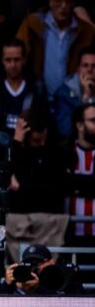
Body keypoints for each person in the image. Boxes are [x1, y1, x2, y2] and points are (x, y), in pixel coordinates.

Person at [6, 110, 70, 262]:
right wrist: (16, 141)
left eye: (43, 139)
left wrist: (23, 188)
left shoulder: (56, 152)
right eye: (36, 141)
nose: (41, 144)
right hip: (20, 220)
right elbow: (7, 179)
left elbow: (56, 189)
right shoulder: (16, 151)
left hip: (50, 220)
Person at [16, 0, 95, 96]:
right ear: (50, 1)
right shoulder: (32, 25)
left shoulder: (87, 31)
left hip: (74, 99)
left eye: (68, 1)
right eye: (58, 1)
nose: (63, 6)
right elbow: (16, 57)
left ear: (73, 3)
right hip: (39, 97)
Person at [0, 39, 48, 160]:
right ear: (2, 61)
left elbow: (44, 122)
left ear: (24, 60)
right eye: (8, 60)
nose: (12, 65)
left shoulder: (36, 87)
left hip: (27, 152)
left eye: (17, 59)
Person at [67, 102, 95, 246]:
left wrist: (75, 184)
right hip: (70, 234)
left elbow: (69, 183)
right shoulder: (64, 153)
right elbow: (61, 185)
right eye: (93, 120)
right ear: (79, 125)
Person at [54, 47, 95, 139]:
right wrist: (85, 99)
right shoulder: (64, 92)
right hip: (73, 146)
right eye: (85, 65)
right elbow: (65, 130)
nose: (89, 70)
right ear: (78, 69)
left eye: (94, 66)